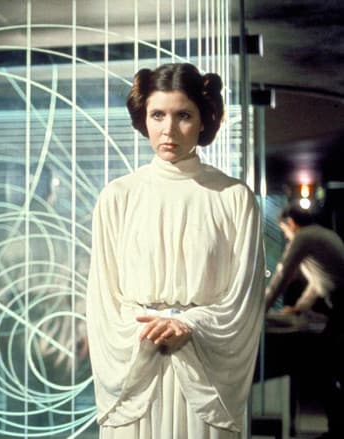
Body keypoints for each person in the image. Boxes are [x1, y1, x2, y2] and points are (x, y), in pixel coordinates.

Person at [85, 63, 265, 438]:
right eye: (157, 115)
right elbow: (103, 298)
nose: (168, 130)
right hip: (138, 365)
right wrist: (150, 330)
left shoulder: (234, 198)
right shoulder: (118, 197)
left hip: (202, 367)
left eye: (183, 115)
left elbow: (245, 298)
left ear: (203, 120)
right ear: (143, 118)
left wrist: (190, 325)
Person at [264, 203, 344, 438]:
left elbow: (282, 275)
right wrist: (299, 307)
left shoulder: (304, 237)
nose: (286, 236)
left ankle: (337, 428)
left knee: (329, 366)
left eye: (284, 230)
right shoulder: (321, 234)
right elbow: (317, 283)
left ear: (290, 223)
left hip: (341, 303)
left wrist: (259, 309)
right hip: (339, 303)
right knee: (331, 366)